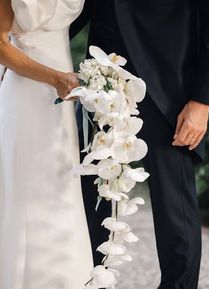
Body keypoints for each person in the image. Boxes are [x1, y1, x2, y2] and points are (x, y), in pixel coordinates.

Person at [70, 0, 209, 288]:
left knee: (175, 211)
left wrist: (202, 100)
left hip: (168, 80)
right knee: (91, 199)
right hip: (101, 74)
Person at [0, 1, 93, 289]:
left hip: (64, 95)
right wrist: (55, 79)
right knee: (27, 192)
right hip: (29, 91)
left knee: (60, 186)